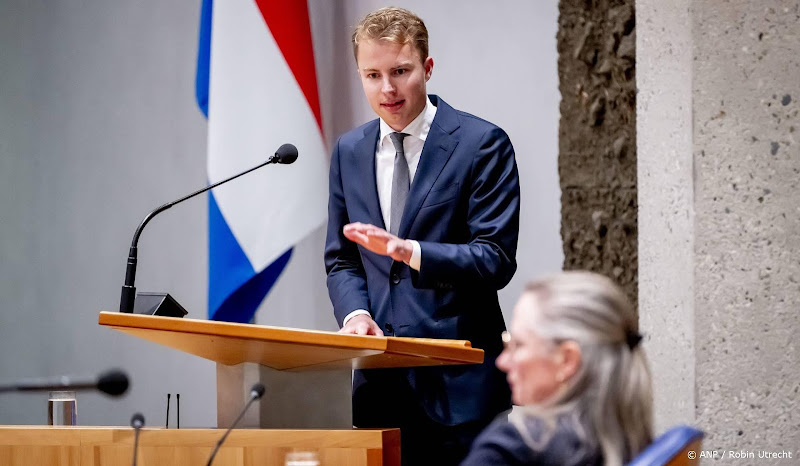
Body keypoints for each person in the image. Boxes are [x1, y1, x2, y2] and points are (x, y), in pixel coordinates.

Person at [324, 6, 520, 465]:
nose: (387, 89)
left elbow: (494, 258)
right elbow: (342, 260)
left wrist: (409, 251)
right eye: (372, 75)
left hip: (461, 389)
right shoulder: (349, 151)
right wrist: (355, 314)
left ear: (427, 68)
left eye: (400, 71)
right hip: (379, 389)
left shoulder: (481, 143)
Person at [461, 271, 654, 466]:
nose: (502, 362)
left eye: (518, 345)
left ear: (567, 360)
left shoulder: (512, 449)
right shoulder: (634, 444)